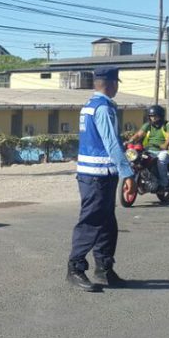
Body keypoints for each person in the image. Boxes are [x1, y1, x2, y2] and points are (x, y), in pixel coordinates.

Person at [68, 66, 135, 292]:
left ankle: (104, 269)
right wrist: (127, 173)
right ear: (113, 84)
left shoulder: (89, 105)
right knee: (92, 222)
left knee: (107, 223)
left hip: (95, 174)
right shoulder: (104, 108)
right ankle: (75, 268)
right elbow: (112, 143)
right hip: (97, 175)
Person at [129, 105, 169, 189]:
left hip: (164, 151)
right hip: (149, 149)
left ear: (161, 116)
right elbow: (138, 135)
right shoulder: (148, 125)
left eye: (155, 116)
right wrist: (131, 140)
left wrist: (165, 145)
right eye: (151, 116)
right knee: (136, 160)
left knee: (161, 162)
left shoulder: (168, 125)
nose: (153, 118)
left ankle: (164, 183)